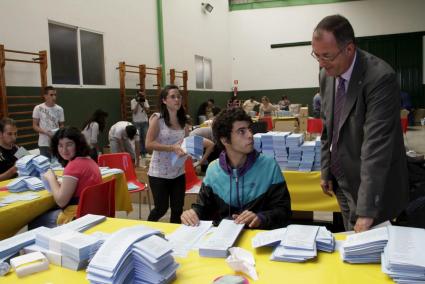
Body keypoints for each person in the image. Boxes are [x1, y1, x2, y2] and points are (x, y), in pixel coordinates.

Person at [312, 15, 408, 232]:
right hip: (342, 181)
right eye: (316, 56)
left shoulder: (380, 77)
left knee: (371, 253)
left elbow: (376, 147)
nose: (321, 63)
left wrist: (366, 212)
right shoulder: (326, 74)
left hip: (373, 188)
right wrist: (326, 169)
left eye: (326, 56)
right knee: (350, 240)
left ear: (349, 49)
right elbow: (329, 126)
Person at [181, 108, 291, 230]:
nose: (250, 135)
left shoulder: (269, 166)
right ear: (225, 140)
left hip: (258, 240)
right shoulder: (213, 170)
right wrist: (193, 213)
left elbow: (284, 212)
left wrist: (261, 218)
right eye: (241, 131)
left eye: (249, 129)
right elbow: (204, 208)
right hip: (223, 241)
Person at [146, 85, 214, 224]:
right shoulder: (157, 119)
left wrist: (196, 157)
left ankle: (175, 238)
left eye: (179, 96)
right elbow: (148, 144)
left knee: (178, 209)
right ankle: (147, 228)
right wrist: (172, 148)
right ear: (164, 100)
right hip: (159, 173)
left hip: (178, 172)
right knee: (161, 208)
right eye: (172, 96)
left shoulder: (184, 120)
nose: (177, 99)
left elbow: (187, 142)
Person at [28, 127, 102, 228]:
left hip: (78, 217)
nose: (64, 150)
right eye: (60, 145)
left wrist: (51, 178)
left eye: (69, 144)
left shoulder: (73, 166)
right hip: (95, 211)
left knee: (34, 221)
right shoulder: (89, 160)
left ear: (78, 144)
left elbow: (61, 202)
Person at [32, 86, 65, 160]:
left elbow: (62, 125)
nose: (54, 97)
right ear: (45, 96)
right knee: (45, 167)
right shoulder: (38, 108)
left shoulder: (60, 109)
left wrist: (58, 133)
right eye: (51, 95)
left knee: (57, 165)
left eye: (55, 95)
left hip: (56, 142)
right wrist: (46, 132)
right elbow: (34, 126)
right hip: (43, 143)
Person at [131, 90, 150, 157]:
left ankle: (145, 152)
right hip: (136, 122)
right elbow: (134, 112)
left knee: (145, 137)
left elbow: (148, 111)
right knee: (137, 138)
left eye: (142, 95)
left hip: (144, 122)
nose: (141, 96)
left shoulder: (145, 101)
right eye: (140, 95)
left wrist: (142, 104)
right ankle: (139, 153)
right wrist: (138, 103)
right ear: (136, 95)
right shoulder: (133, 101)